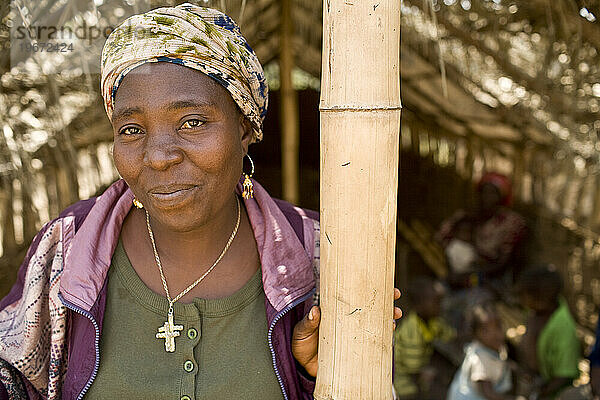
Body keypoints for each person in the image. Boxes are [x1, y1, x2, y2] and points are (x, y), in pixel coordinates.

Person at [0, 5, 402, 400]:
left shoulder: (319, 254)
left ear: (244, 127)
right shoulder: (68, 250)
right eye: (132, 129)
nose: (159, 156)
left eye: (192, 122)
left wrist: (318, 379)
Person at [437, 172, 527, 295]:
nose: (487, 197)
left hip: (490, 277)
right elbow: (442, 236)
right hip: (461, 271)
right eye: (484, 192)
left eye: (493, 193)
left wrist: (472, 273)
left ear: (502, 197)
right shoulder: (468, 215)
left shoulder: (511, 223)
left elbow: (504, 262)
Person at [516, 265, 581, 399]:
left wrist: (540, 394)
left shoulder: (563, 328)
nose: (521, 299)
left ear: (539, 300)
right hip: (533, 379)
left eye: (524, 295)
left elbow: (565, 375)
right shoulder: (536, 313)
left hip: (552, 391)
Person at [394, 276, 455, 399]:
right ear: (419, 306)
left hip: (420, 371)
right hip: (404, 382)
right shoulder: (411, 332)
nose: (439, 306)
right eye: (435, 302)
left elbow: (449, 335)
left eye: (439, 301)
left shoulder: (434, 322)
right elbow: (412, 368)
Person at [448, 303, 514, 400]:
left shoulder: (497, 347)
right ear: (475, 334)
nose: (494, 333)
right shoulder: (480, 359)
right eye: (485, 330)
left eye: (498, 327)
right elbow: (488, 393)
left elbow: (500, 362)